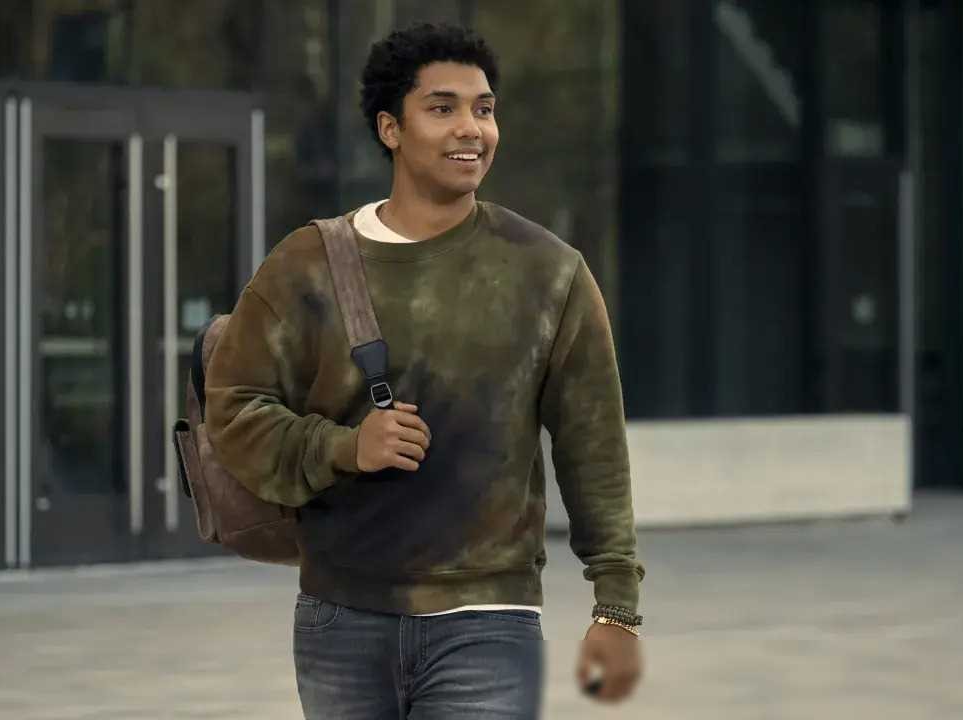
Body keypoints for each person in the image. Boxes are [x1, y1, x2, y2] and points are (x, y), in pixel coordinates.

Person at [205, 21, 645, 719]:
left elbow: (595, 447)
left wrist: (615, 605)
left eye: (484, 108)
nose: (472, 128)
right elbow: (232, 408)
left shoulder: (548, 273)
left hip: (490, 621)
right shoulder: (307, 265)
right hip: (341, 617)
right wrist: (345, 447)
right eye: (443, 108)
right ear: (391, 128)